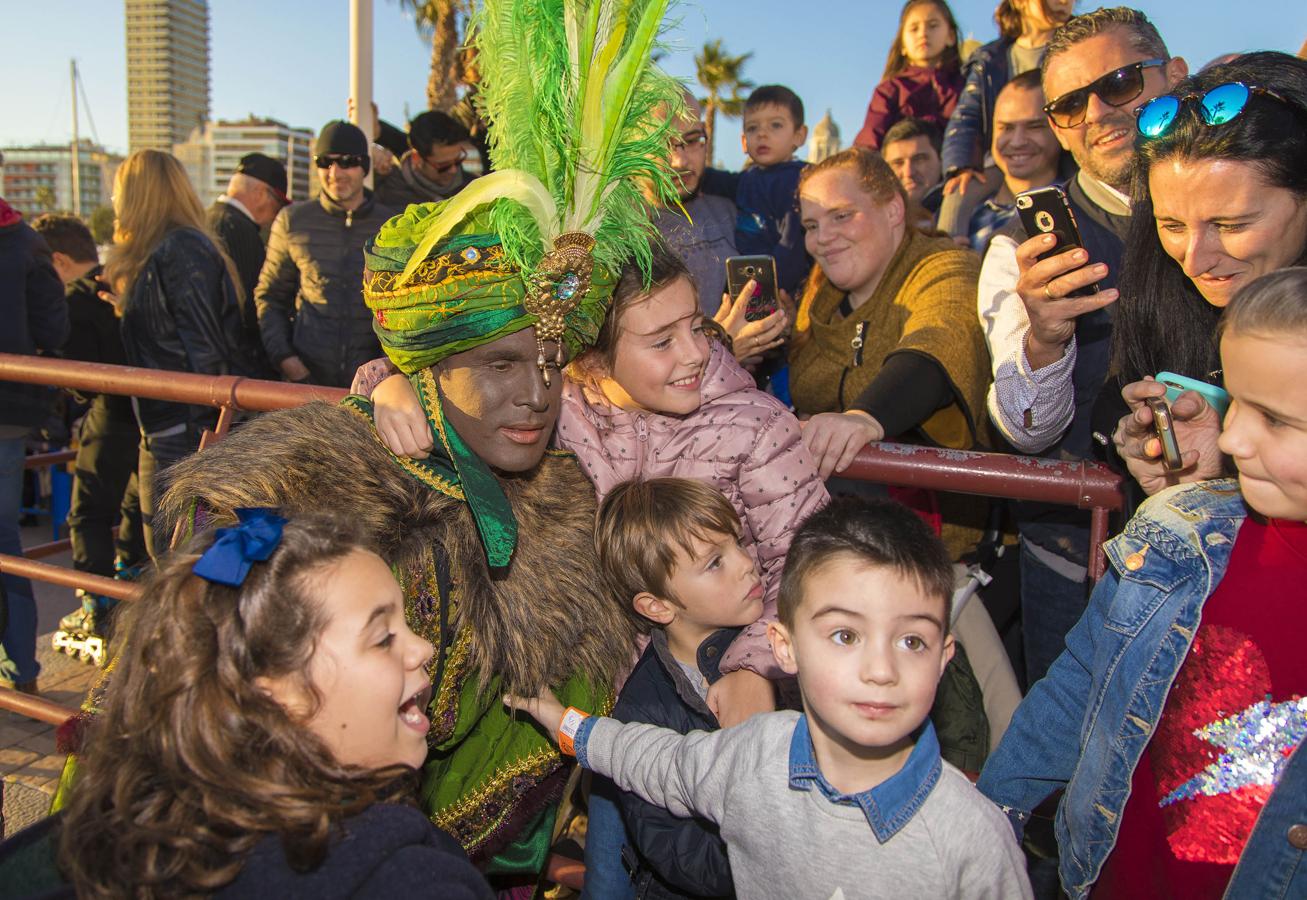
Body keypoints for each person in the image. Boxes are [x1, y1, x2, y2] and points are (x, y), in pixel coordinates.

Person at [146, 2, 685, 884]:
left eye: (553, 362)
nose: (537, 394)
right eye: (503, 363)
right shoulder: (323, 494)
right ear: (429, 365)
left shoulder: (561, 498)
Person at [356, 244, 827, 897]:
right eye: (660, 340)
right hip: (605, 715)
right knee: (613, 875)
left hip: (707, 708)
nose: (694, 352)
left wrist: (751, 668)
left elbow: (809, 566)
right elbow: (442, 361)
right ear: (592, 359)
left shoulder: (755, 427)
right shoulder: (560, 403)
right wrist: (391, 384)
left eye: (695, 324)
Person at [507, 497, 1034, 900]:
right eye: (846, 636)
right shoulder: (752, 755)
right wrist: (563, 721)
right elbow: (649, 758)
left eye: (911, 641)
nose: (881, 671)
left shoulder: (974, 840)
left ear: (944, 657)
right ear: (784, 646)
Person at [979, 267, 1307, 900]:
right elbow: (1080, 684)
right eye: (1234, 401)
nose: (1233, 437)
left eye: (1275, 419)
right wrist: (989, 815)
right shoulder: (1184, 532)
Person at [0, 511, 494, 898]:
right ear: (274, 696)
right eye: (384, 637)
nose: (424, 648)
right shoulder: (402, 878)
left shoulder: (110, 831)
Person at [976, 6, 1186, 688]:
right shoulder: (1019, 244)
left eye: (1120, 83)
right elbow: (1024, 432)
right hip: (1081, 565)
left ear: (1173, 76)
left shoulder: (1262, 195)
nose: (1097, 113)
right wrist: (1045, 335)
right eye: (1068, 105)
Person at [1106, 52, 1307, 498]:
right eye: (1172, 226)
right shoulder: (1158, 294)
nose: (1195, 261)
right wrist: (1151, 450)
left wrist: (1237, 463)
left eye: (1232, 225)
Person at [594, 477, 765, 898]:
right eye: (715, 562)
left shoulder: (767, 656)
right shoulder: (641, 712)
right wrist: (768, 856)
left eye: (738, 544)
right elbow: (676, 852)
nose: (747, 563)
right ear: (657, 605)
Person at [788, 147, 989, 478]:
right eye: (811, 226)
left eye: (841, 216)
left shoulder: (945, 265)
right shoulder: (816, 300)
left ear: (894, 209)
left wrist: (864, 418)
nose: (822, 238)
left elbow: (940, 337)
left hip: (930, 513)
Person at [100, 149, 255, 561]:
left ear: (138, 195)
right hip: (172, 427)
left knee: (180, 563)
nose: (115, 203)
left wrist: (204, 448)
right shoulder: (169, 251)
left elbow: (207, 351)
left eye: (120, 192)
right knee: (177, 560)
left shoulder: (181, 250)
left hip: (183, 432)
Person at [31, 214, 145, 664]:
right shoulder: (127, 279)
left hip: (110, 416)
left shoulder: (77, 300)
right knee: (138, 508)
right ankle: (126, 589)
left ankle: (96, 605)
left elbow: (82, 381)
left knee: (88, 514)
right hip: (150, 419)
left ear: (58, 259)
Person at [255, 120, 395, 387]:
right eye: (324, 162)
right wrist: (287, 361)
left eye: (347, 161)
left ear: (364, 166)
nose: (335, 172)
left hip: (375, 385)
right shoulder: (292, 220)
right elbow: (270, 296)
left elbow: (406, 307)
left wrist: (390, 367)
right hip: (306, 381)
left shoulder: (391, 225)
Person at [0, 196, 66, 694]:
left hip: (9, 411)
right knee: (6, 547)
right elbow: (54, 331)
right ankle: (19, 669)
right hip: (11, 412)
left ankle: (19, 670)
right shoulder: (25, 244)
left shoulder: (24, 244)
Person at [938, 0, 1074, 238]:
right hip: (1000, 158)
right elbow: (967, 115)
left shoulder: (1075, 48)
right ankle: (949, 253)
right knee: (958, 194)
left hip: (1064, 152)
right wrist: (963, 164)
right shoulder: (990, 59)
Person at [700, 85, 812, 296]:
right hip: (749, 281)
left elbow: (792, 246)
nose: (762, 134)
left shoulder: (797, 181)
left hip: (776, 287)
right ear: (744, 142)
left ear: (799, 135)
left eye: (775, 125)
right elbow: (712, 180)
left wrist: (766, 290)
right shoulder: (748, 178)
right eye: (752, 128)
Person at [653, 91, 739, 316]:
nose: (680, 161)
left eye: (691, 140)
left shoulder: (728, 211)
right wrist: (725, 345)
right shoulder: (611, 234)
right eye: (661, 144)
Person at [207, 152, 290, 377]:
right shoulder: (240, 230)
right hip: (234, 367)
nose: (277, 214)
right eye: (278, 204)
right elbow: (248, 309)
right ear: (261, 193)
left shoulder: (205, 219)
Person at [966, 69, 1064, 254]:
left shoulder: (1075, 212)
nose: (1017, 141)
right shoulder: (965, 215)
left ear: (1058, 128)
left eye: (1034, 126)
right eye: (1006, 128)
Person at [854, 0, 964, 152]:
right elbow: (870, 142)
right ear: (903, 45)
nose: (923, 33)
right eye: (914, 29)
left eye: (933, 26)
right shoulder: (890, 90)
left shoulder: (966, 85)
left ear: (951, 36)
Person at [375, 110, 477, 208]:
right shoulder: (388, 192)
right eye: (443, 165)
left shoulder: (474, 187)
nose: (453, 170)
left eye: (458, 159)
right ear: (417, 158)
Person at [880, 117, 945, 228]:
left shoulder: (969, 214)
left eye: (919, 159)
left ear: (941, 160)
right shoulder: (871, 225)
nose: (908, 172)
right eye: (898, 163)